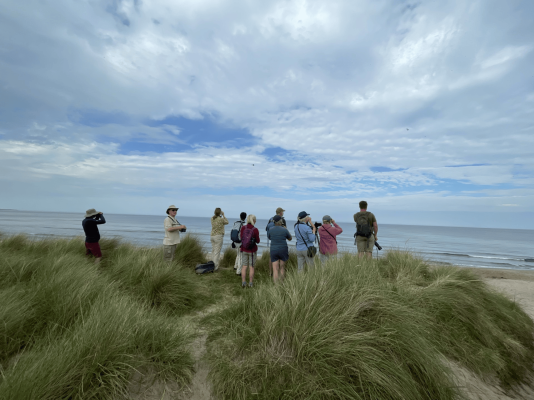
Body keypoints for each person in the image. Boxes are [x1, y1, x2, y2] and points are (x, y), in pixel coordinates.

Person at [267, 215, 292, 283]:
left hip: (274, 249)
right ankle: (281, 284)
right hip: (283, 249)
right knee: (282, 268)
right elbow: (290, 238)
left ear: (274, 222)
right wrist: (286, 228)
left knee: (275, 269)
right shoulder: (284, 229)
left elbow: (269, 237)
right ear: (281, 222)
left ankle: (276, 286)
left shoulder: (271, 229)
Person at [240, 214, 260, 288]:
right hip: (252, 251)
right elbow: (258, 241)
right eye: (255, 220)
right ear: (253, 220)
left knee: (244, 266)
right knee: (251, 267)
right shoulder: (255, 229)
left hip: (244, 249)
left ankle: (243, 282)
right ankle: (250, 283)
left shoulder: (243, 228)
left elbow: (241, 238)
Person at [266, 207, 286, 276]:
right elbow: (285, 230)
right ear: (280, 213)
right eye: (283, 212)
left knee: (272, 256)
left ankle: (270, 272)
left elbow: (267, 229)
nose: (283, 213)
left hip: (273, 241)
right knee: (281, 259)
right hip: (280, 242)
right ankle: (280, 273)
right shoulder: (282, 220)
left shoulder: (271, 219)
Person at [233, 212, 247, 276]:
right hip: (241, 242)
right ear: (245, 217)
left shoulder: (236, 223)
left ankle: (235, 266)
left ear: (240, 216)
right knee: (241, 257)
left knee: (238, 254)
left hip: (235, 241)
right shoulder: (245, 224)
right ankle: (238, 272)